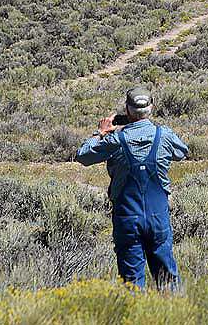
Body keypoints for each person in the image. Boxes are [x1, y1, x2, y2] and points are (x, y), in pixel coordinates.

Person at [76, 86, 188, 289]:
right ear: (151, 108)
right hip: (158, 218)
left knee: (132, 283)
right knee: (168, 280)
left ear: (126, 111)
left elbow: (83, 155)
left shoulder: (115, 140)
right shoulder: (164, 136)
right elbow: (181, 152)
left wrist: (100, 133)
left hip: (127, 219)